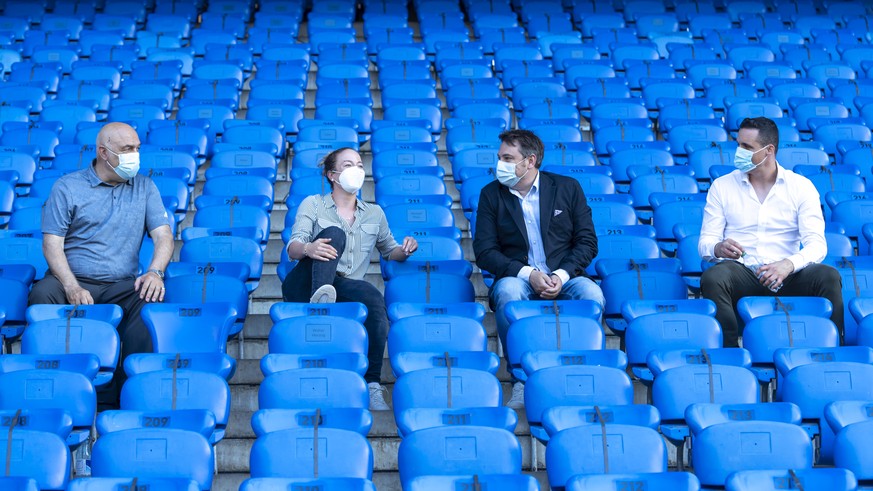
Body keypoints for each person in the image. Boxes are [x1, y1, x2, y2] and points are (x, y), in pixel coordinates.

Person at [29, 122, 174, 408]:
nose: (135, 155)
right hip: (71, 279)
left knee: (149, 299)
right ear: (103, 153)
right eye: (126, 149)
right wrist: (71, 286)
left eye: (136, 148)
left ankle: (126, 398)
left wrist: (155, 272)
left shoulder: (145, 186)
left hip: (121, 284)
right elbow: (51, 245)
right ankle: (47, 392)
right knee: (41, 295)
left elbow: (164, 237)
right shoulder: (67, 187)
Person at [473, 129, 605, 409]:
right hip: (518, 277)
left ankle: (580, 374)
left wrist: (560, 275)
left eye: (508, 158)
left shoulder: (567, 188)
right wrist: (528, 274)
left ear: (530, 161)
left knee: (593, 295)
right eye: (500, 157)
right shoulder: (490, 195)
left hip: (564, 276)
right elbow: (485, 252)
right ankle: (520, 380)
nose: (500, 164)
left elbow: (587, 242)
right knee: (508, 292)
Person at [282, 147, 418, 411]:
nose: (355, 169)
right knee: (334, 232)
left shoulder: (374, 213)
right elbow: (293, 246)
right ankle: (319, 300)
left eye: (358, 164)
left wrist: (406, 248)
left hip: (343, 287)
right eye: (347, 165)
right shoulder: (313, 203)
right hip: (305, 281)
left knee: (373, 299)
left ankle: (372, 384)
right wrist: (309, 249)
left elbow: (390, 250)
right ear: (332, 175)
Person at [699, 116, 843, 347]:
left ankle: (834, 349)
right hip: (744, 272)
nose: (739, 152)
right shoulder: (722, 186)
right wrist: (718, 247)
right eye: (738, 145)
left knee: (828, 276)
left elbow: (817, 244)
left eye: (747, 147)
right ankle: (729, 352)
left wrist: (788, 264)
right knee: (714, 276)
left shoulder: (801, 187)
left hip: (789, 275)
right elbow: (706, 242)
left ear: (769, 150)